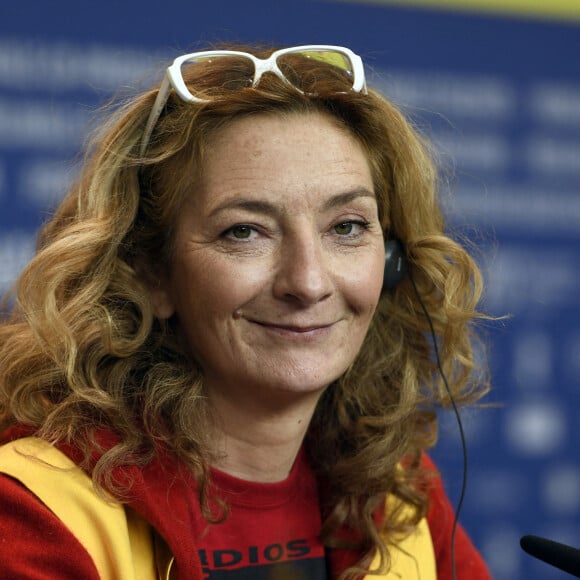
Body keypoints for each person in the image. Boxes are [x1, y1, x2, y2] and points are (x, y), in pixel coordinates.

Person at [0, 44, 491, 579]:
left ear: (392, 259)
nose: (307, 282)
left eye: (346, 227)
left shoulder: (398, 491)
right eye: (245, 231)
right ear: (150, 272)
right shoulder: (32, 512)